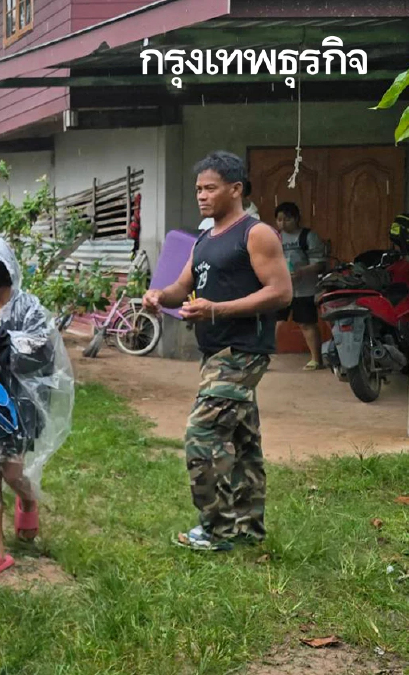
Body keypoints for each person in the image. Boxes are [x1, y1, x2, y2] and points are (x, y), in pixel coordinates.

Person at [143, 151, 292, 552]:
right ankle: (247, 529)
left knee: (202, 434)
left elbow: (281, 292)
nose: (202, 196)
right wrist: (160, 296)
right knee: (243, 444)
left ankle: (216, 529)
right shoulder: (206, 238)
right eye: (198, 189)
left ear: (235, 189)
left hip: (242, 350)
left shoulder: (255, 233)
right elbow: (180, 286)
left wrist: (216, 309)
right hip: (215, 351)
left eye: (210, 188)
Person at [0, 238, 75, 577]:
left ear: (2, 271)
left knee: (11, 471)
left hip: (20, 404)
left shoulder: (29, 308)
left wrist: (0, 336)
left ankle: (28, 498)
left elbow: (42, 350)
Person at [274, 202, 328, 369]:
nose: (283, 224)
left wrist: (302, 271)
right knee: (275, 323)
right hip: (280, 288)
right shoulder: (274, 237)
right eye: (279, 220)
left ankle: (316, 360)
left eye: (287, 219)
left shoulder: (308, 236)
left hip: (304, 289)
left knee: (306, 323)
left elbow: (320, 263)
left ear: (297, 218)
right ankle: (263, 356)